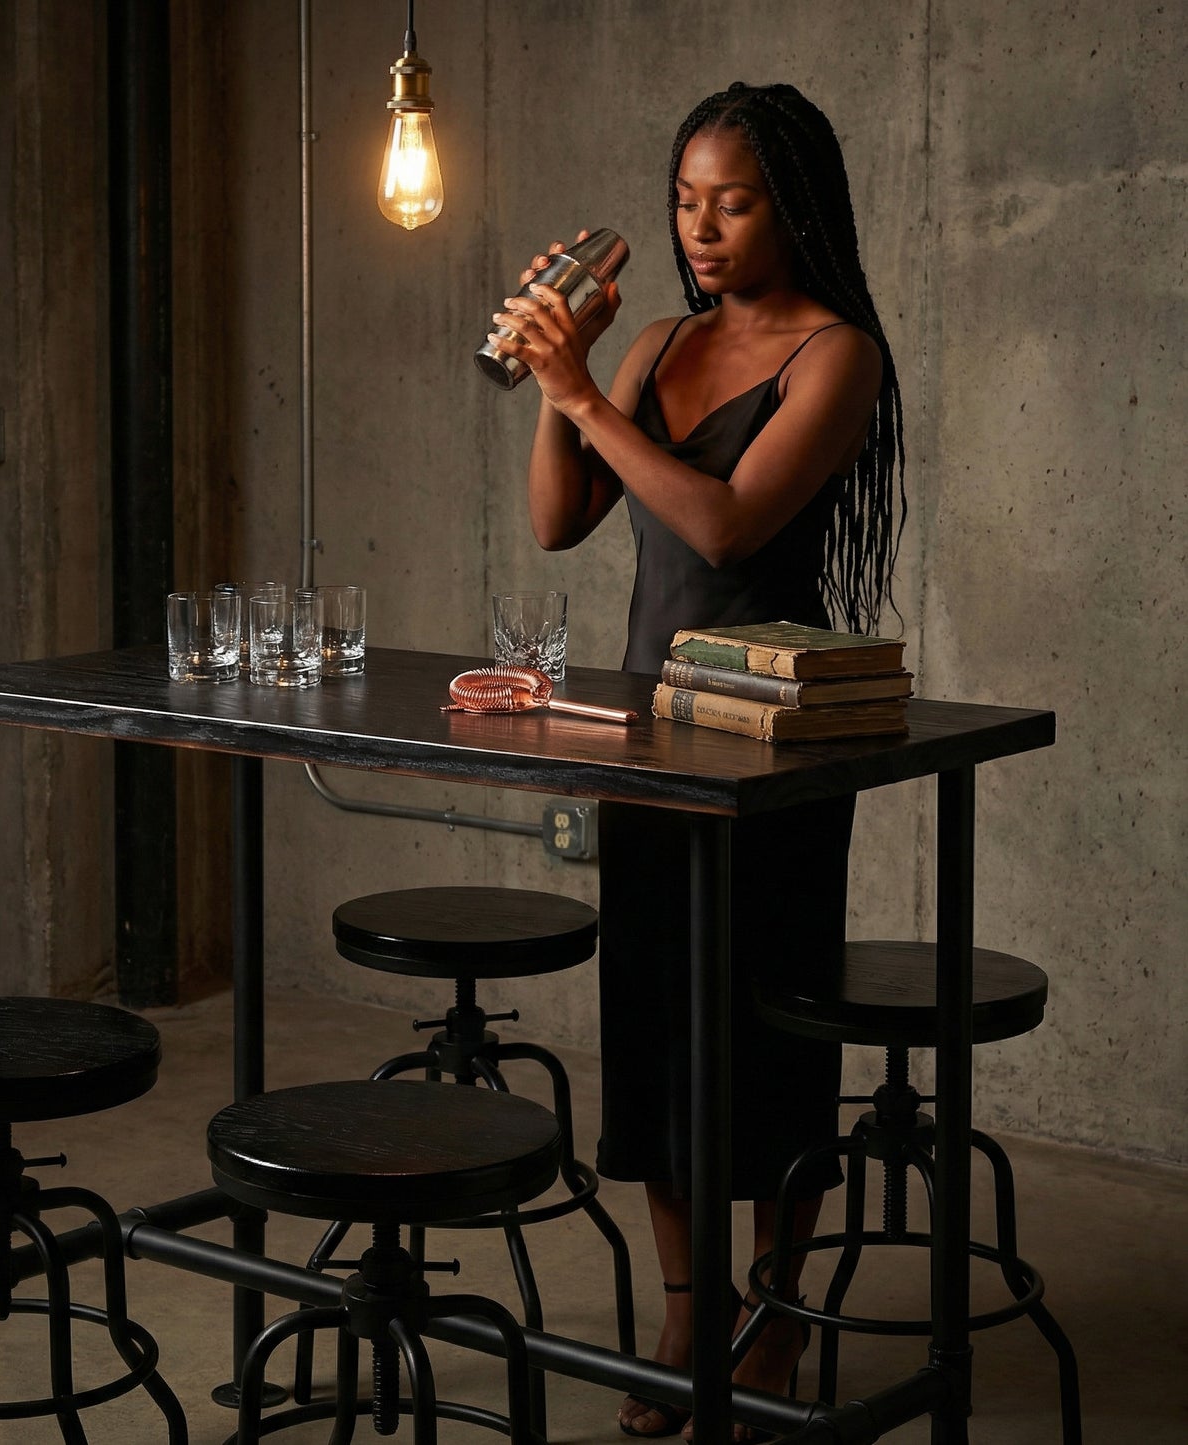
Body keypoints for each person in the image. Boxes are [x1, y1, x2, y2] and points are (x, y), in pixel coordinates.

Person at [489, 82, 905, 1442]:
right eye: (684, 198)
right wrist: (575, 378)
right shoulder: (659, 339)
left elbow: (723, 527)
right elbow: (560, 523)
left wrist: (575, 393)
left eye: (732, 199)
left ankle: (778, 1307)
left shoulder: (835, 355)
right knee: (657, 1027)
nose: (703, 226)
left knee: (768, 1025)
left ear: (791, 204)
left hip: (778, 741)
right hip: (653, 736)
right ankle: (686, 1304)